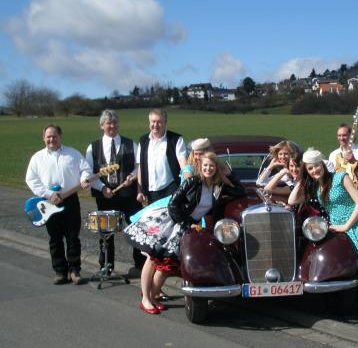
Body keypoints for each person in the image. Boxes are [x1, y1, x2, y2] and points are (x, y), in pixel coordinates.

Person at [289, 149, 358, 320]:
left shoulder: (340, 177)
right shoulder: (314, 186)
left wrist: (345, 225)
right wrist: (302, 180)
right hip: (348, 229)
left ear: (323, 163)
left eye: (317, 166)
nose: (315, 171)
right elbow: (292, 200)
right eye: (310, 169)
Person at [124, 152, 245, 314]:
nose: (208, 169)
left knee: (165, 264)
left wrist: (231, 175)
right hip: (172, 222)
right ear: (200, 167)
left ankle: (152, 297)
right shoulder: (193, 182)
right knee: (154, 258)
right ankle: (145, 299)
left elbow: (240, 192)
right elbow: (173, 205)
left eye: (212, 166)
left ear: (216, 168)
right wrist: (187, 224)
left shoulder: (217, 186)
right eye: (205, 166)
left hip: (189, 227)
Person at [25, 124, 92, 285]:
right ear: (44, 138)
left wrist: (84, 179)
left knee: (72, 237)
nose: (51, 139)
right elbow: (31, 179)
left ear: (60, 137)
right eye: (48, 136)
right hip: (48, 202)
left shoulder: (73, 153)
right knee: (55, 239)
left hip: (71, 201)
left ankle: (74, 270)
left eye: (54, 136)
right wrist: (49, 194)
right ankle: (60, 271)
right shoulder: (37, 158)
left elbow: (86, 169)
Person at [86, 109, 145, 275]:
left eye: (114, 123)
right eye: (108, 123)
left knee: (137, 229)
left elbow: (138, 167)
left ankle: (140, 266)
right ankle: (106, 266)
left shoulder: (130, 144)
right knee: (106, 233)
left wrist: (132, 177)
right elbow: (89, 173)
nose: (112, 126)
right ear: (102, 126)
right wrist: (102, 188)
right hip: (105, 197)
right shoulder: (93, 147)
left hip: (129, 196)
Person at [136, 108, 187, 204]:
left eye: (159, 122)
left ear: (165, 123)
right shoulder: (143, 141)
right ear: (149, 122)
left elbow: (183, 164)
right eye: (153, 121)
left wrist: (185, 185)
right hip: (151, 193)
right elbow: (140, 168)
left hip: (172, 189)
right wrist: (140, 190)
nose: (155, 125)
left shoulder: (176, 140)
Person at [329, 123, 358, 201]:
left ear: (351, 136)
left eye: (344, 135)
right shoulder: (333, 155)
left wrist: (354, 161)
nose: (341, 138)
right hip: (344, 201)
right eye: (339, 135)